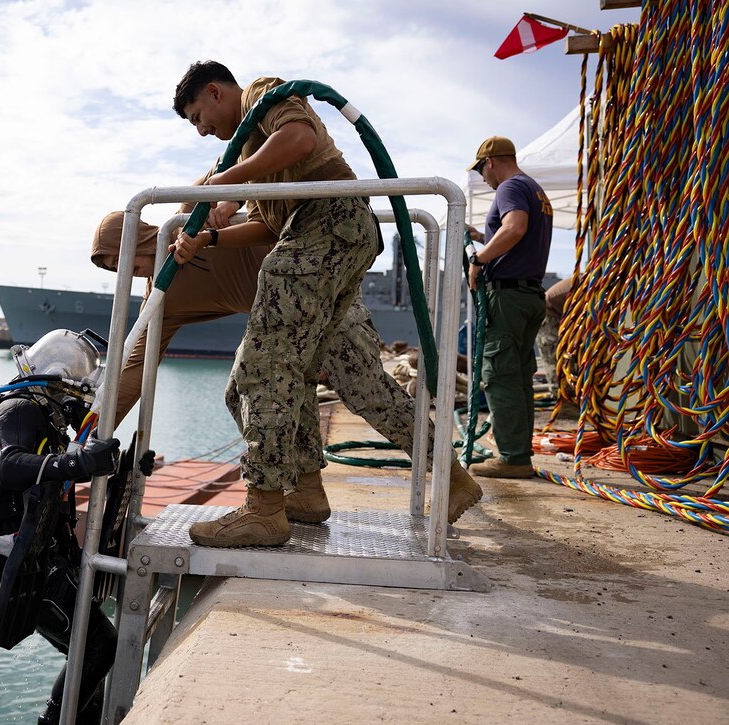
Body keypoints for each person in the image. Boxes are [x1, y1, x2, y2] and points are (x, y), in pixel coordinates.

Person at [162, 60, 477, 547]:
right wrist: (212, 240)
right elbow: (270, 226)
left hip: (326, 228)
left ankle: (264, 507)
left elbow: (300, 139)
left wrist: (227, 181)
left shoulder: (263, 98)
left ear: (215, 92)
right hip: (332, 235)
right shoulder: (249, 153)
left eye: (197, 116)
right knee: (354, 379)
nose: (201, 131)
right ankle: (319, 491)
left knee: (260, 371)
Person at [91, 210, 483, 527]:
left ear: (138, 238)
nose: (124, 270)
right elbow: (134, 371)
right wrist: (90, 432)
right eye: (111, 268)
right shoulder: (161, 297)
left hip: (322, 297)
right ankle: (306, 489)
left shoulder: (194, 224)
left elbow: (218, 172)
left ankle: (453, 477)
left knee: (370, 393)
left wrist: (221, 204)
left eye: (121, 259)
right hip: (279, 322)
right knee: (242, 392)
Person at [0, 329, 123, 724]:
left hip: (36, 552)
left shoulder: (45, 417)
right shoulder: (17, 410)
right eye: (76, 393)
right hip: (11, 558)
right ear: (58, 379)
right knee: (98, 645)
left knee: (87, 651)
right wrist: (79, 463)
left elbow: (55, 475)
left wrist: (118, 469)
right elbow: (11, 466)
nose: (78, 404)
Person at [465, 136, 553, 478]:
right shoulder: (535, 189)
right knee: (517, 378)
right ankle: (519, 454)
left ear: (490, 162)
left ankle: (513, 458)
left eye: (481, 170)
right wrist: (483, 238)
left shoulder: (510, 187)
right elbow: (519, 238)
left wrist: (479, 257)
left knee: (499, 376)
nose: (483, 179)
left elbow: (515, 228)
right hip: (529, 295)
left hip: (508, 298)